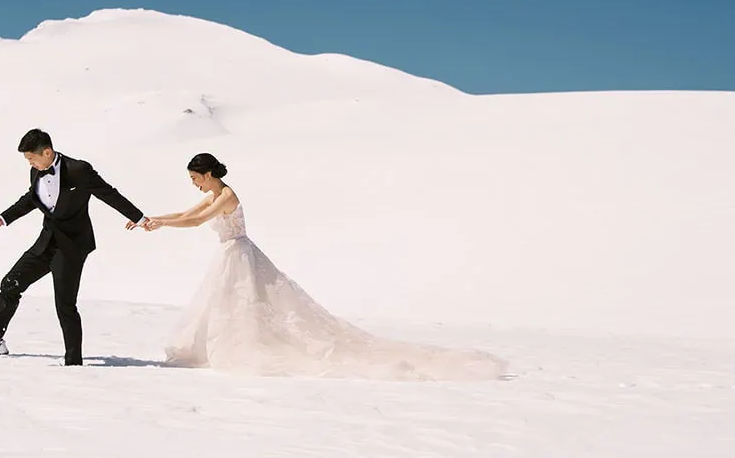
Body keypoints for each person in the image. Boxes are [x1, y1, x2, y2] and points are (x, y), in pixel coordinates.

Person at [144, 153, 507, 380]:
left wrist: (161, 225)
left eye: (195, 179)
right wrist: (154, 219)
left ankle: (240, 349)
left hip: (237, 256)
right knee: (228, 305)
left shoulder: (226, 196)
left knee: (242, 305)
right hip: (230, 255)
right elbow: (186, 213)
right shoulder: (214, 194)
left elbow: (195, 221)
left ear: (208, 174)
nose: (194, 185)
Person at [0, 129, 146, 365]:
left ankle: (73, 362)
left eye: (31, 158)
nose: (30, 164)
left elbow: (108, 193)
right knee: (10, 283)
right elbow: (31, 199)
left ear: (47, 152)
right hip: (46, 242)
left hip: (72, 246)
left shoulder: (78, 170)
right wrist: (3, 219)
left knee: (64, 304)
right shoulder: (36, 171)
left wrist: (138, 217)